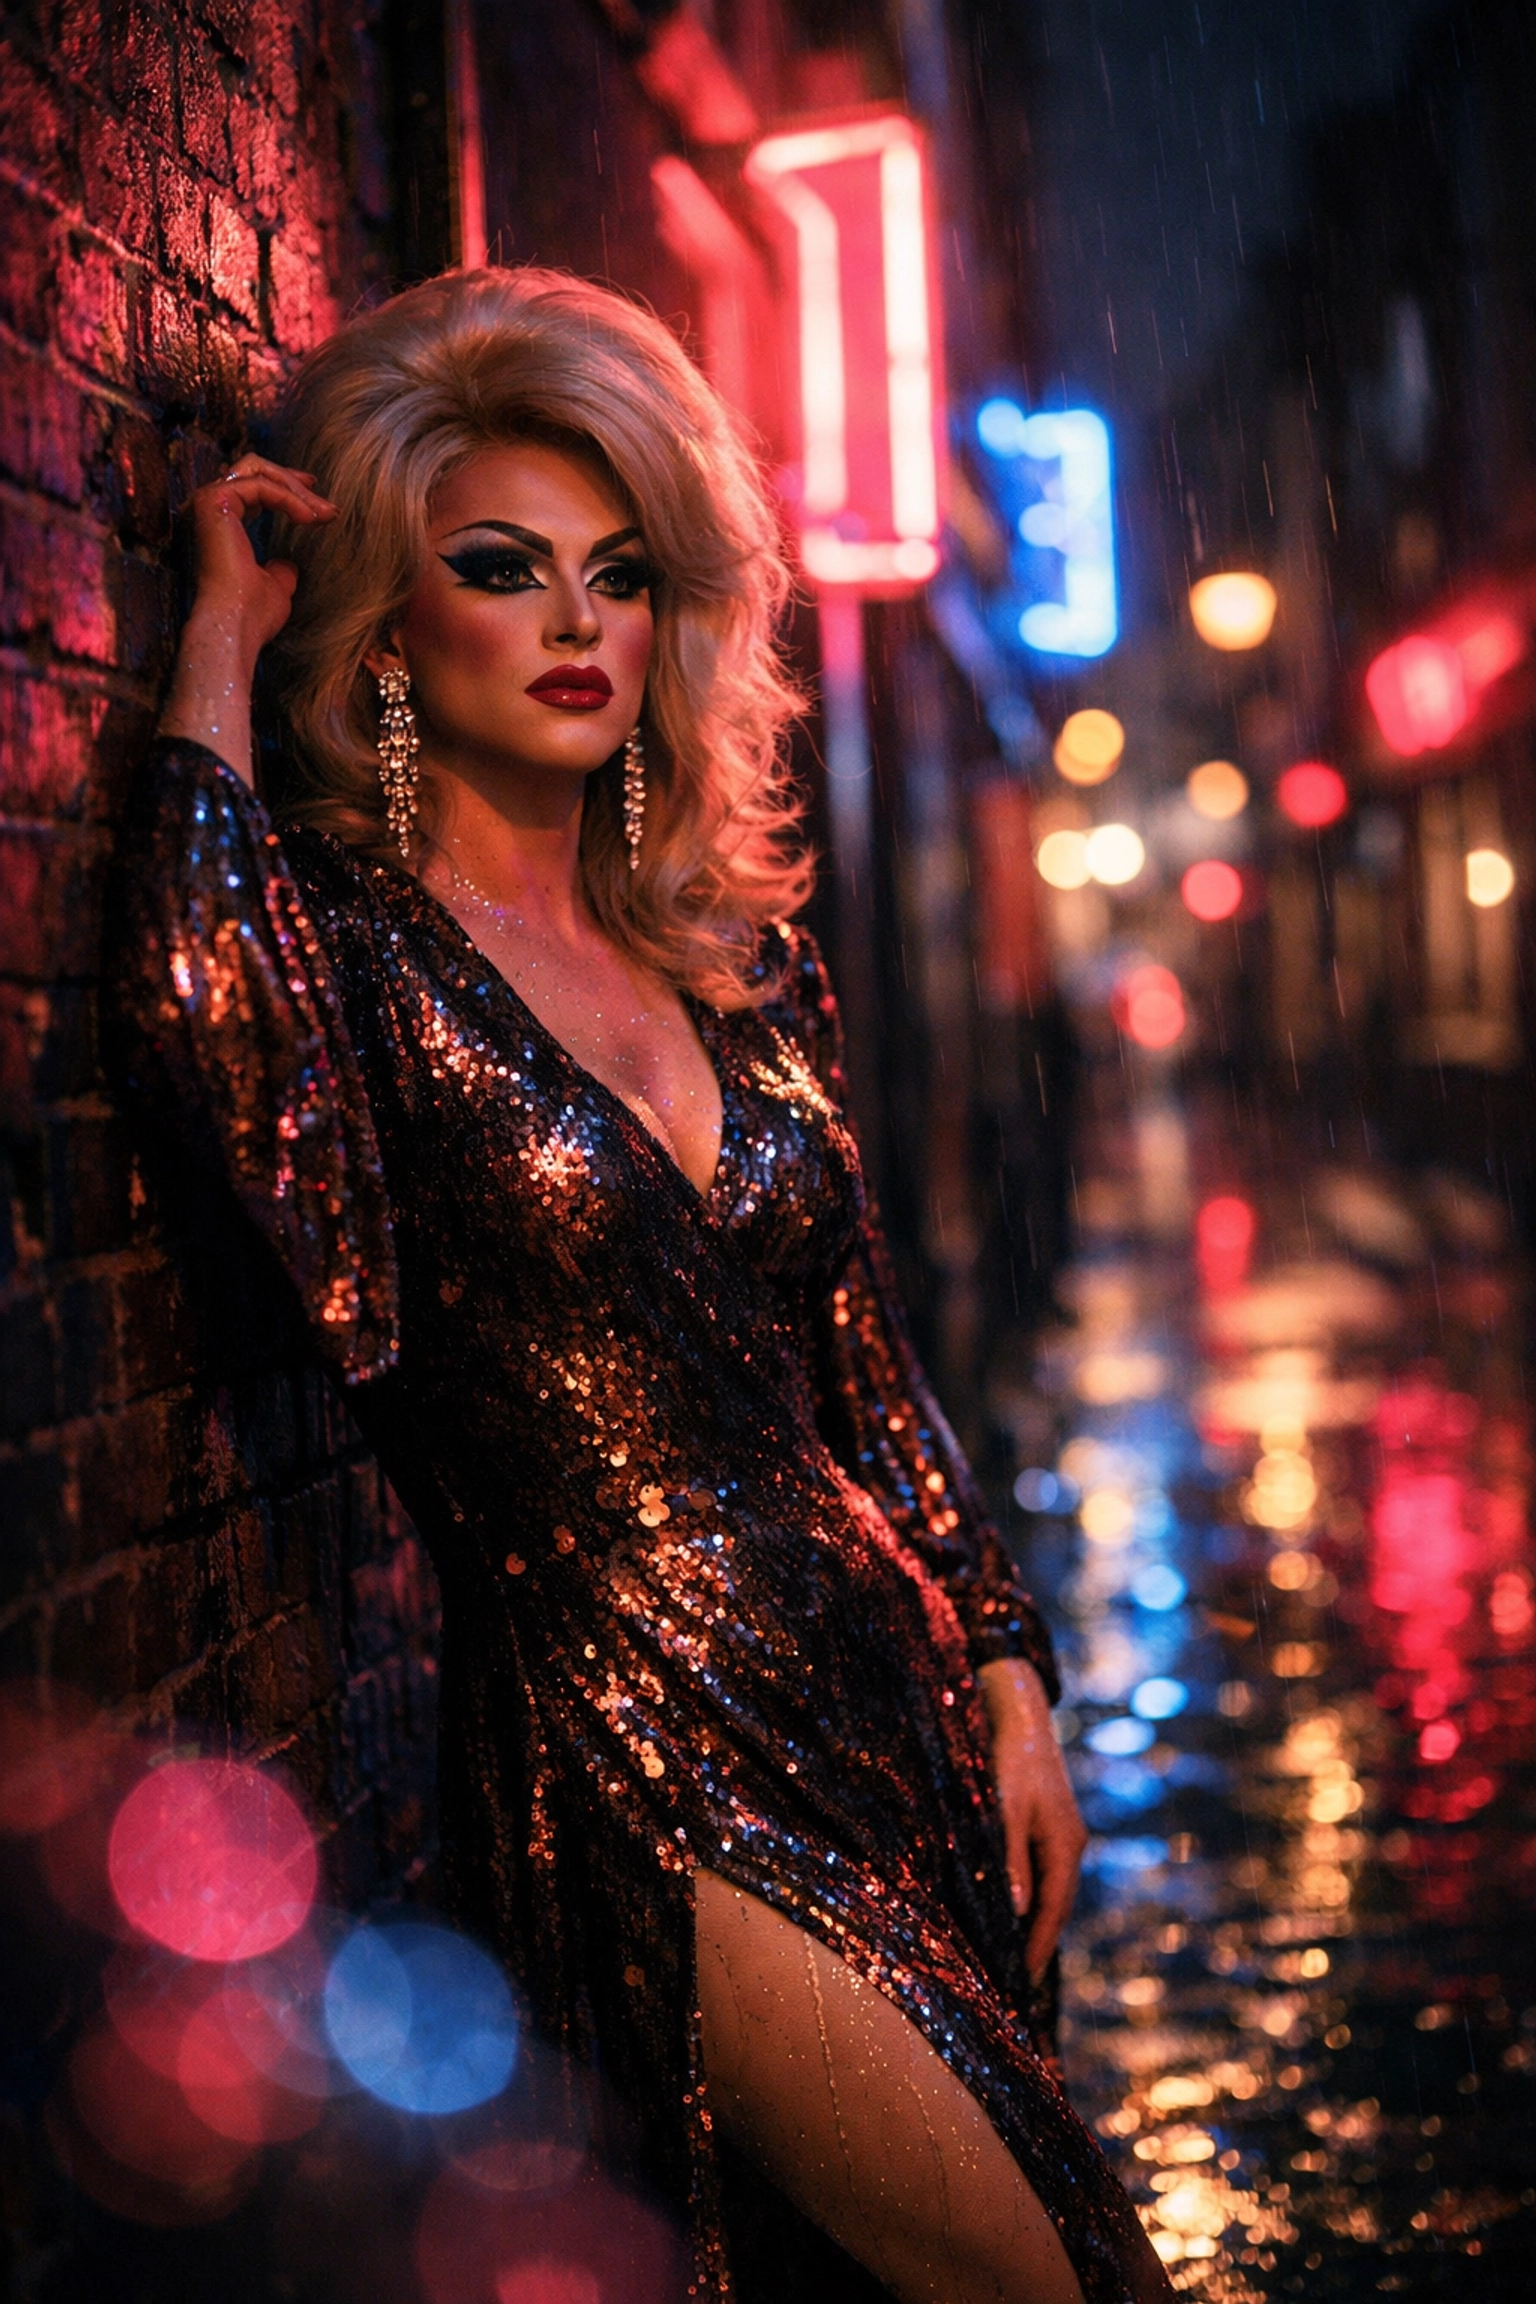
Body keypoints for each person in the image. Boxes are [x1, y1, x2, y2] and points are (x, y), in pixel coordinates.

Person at [113, 267, 1168, 2303]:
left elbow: (866, 1361)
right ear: (396, 621)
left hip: (903, 1723)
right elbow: (197, 1038)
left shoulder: (729, 962)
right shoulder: (357, 944)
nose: (578, 623)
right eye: (503, 568)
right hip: (644, 1746)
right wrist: (223, 647)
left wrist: (1014, 1670)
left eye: (618, 575)